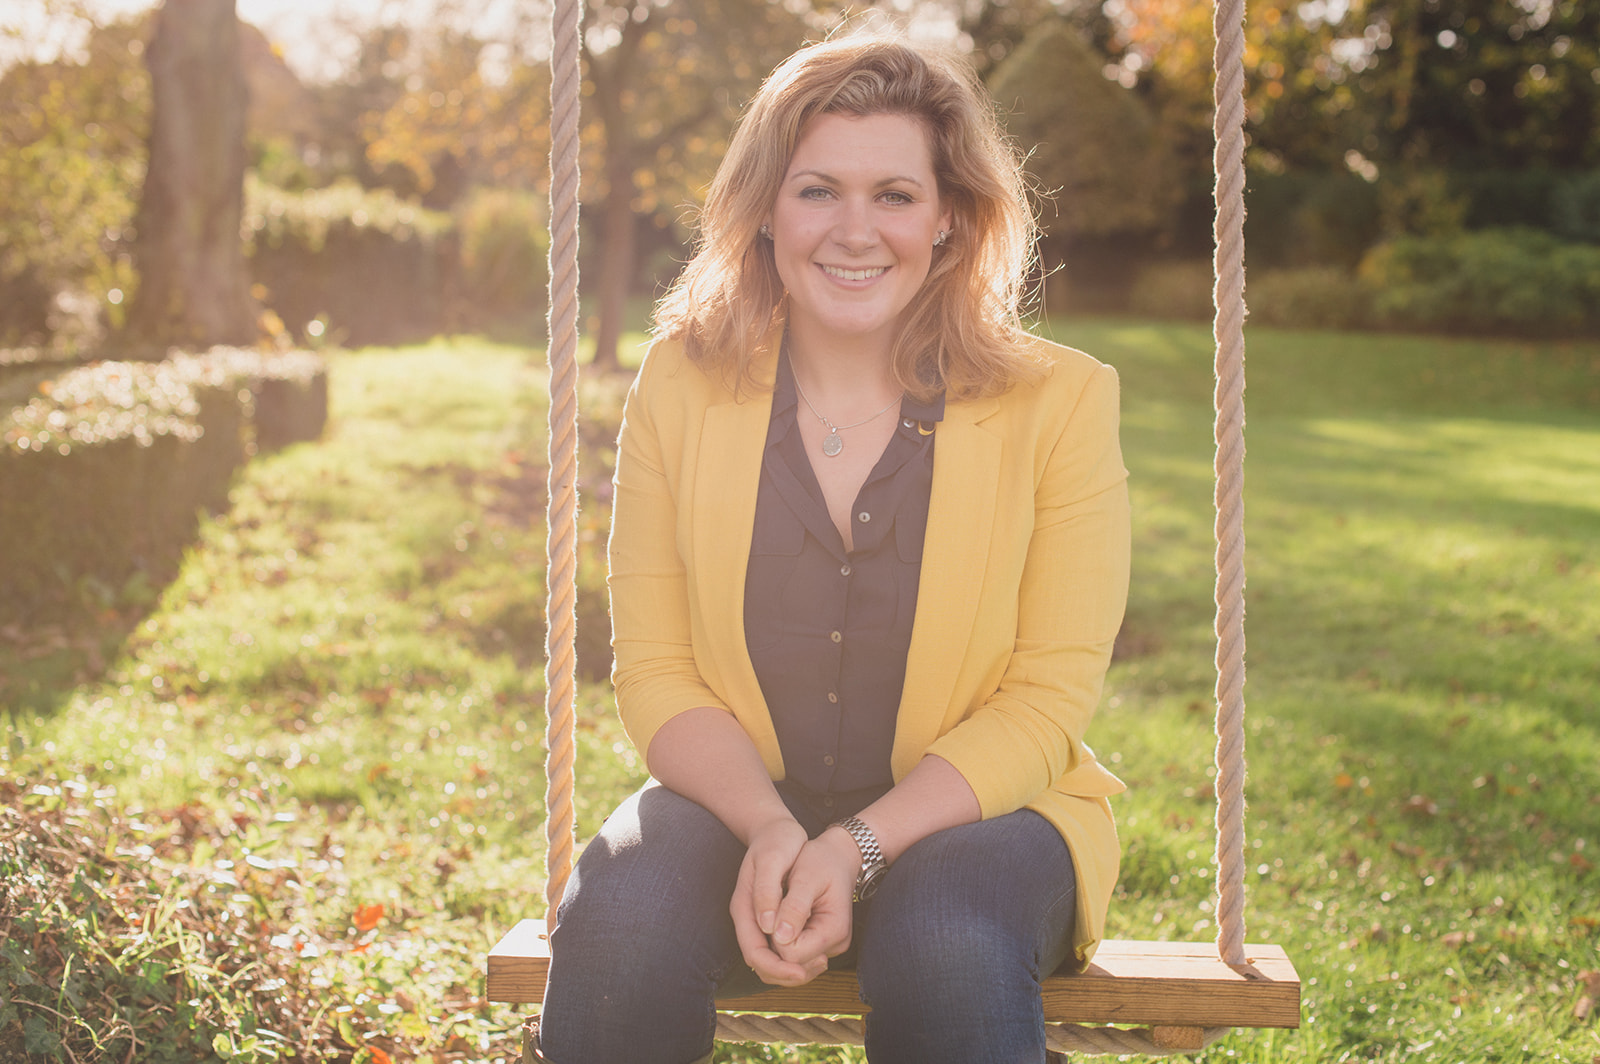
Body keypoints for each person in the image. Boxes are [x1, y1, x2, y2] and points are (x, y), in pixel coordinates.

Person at [535, 33, 1130, 1064]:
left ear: (949, 216)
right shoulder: (683, 384)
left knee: (943, 942)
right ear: (766, 209)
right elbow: (661, 673)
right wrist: (770, 828)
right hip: (739, 792)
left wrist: (858, 846)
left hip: (976, 811)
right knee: (619, 922)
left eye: (895, 195)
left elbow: (1045, 699)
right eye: (818, 190)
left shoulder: (1058, 402)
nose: (856, 231)